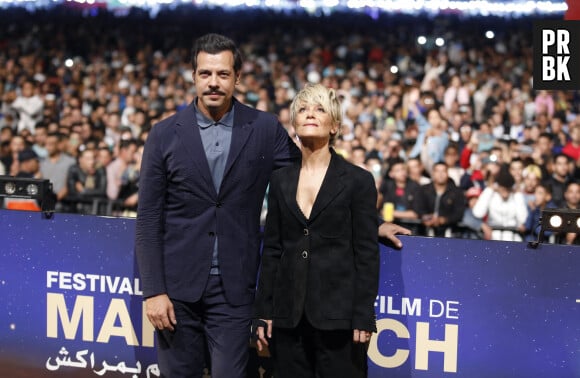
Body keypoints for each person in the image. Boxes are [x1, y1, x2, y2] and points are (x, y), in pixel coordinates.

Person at [135, 33, 410, 378]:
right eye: (205, 73)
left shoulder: (264, 128)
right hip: (176, 291)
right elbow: (147, 218)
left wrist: (371, 223)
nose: (214, 82)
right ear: (193, 76)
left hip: (234, 291)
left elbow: (314, 181)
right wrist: (154, 291)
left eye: (223, 74)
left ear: (237, 77)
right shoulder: (163, 134)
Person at [254, 83, 378, 378]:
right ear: (294, 122)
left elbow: (367, 254)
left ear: (334, 125)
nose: (310, 114)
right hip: (288, 318)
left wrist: (363, 314)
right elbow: (272, 250)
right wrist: (264, 311)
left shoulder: (358, 181)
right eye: (303, 109)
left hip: (340, 319)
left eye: (320, 108)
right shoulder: (281, 180)